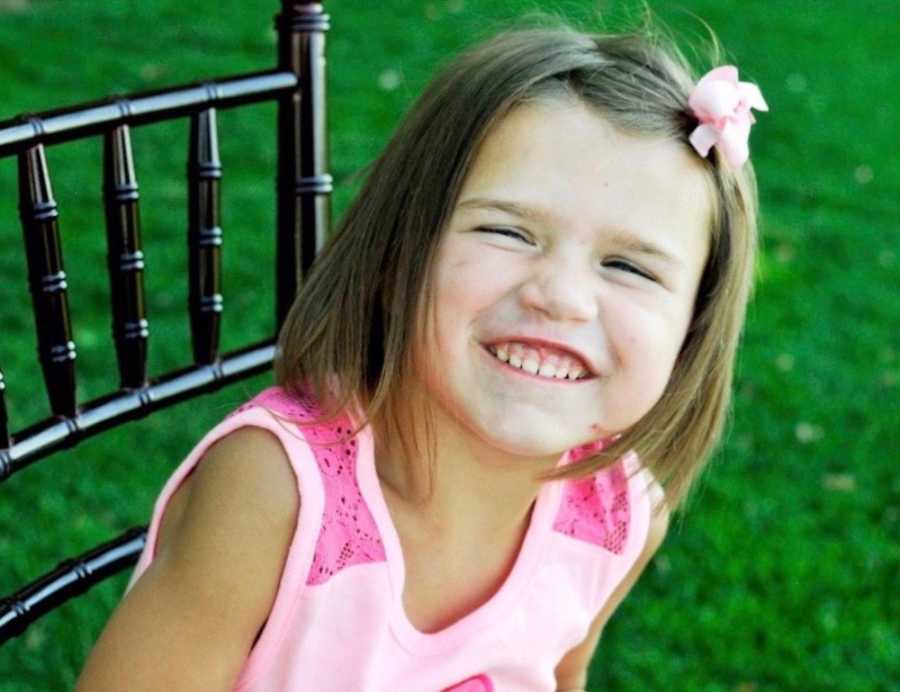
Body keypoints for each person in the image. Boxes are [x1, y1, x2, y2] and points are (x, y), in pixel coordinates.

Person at [76, 15, 766, 692]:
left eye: (631, 268)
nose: (561, 297)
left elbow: (561, 676)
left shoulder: (616, 514)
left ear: (693, 325)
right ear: (397, 246)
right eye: (508, 230)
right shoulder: (272, 494)